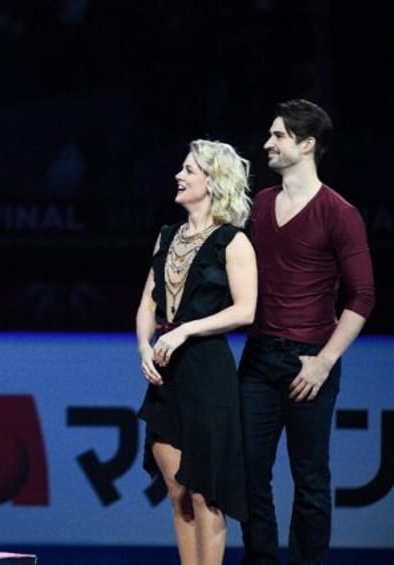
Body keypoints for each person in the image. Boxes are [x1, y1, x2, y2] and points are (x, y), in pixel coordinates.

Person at [239, 99, 375, 565]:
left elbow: (362, 297)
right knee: (250, 474)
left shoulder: (339, 213)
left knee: (310, 478)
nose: (267, 144)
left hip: (309, 361)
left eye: (278, 136)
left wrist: (323, 361)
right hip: (257, 359)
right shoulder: (260, 204)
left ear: (306, 144)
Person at [136, 139, 257, 565]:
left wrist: (185, 330)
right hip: (168, 372)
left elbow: (246, 310)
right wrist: (143, 348)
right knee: (177, 489)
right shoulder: (167, 236)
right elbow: (148, 302)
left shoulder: (233, 241)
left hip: (208, 369)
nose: (179, 175)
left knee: (207, 491)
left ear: (212, 181)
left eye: (189, 169)